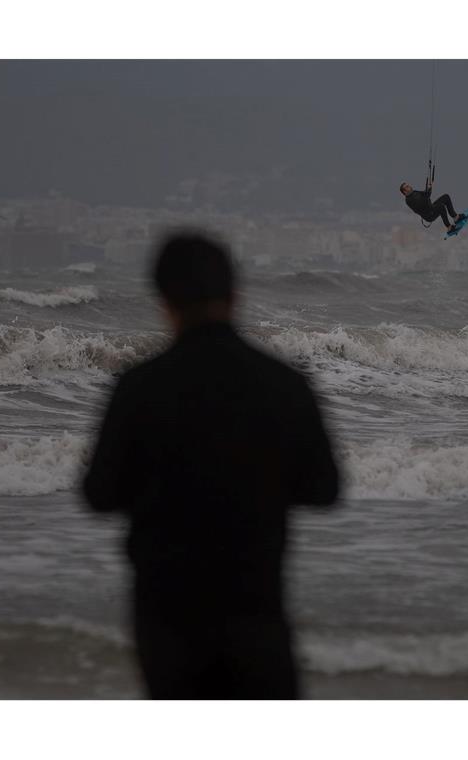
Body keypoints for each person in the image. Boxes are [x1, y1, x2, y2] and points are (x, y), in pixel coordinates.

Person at [82, 230, 341, 699]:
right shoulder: (283, 384)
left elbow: (99, 495)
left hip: (167, 618)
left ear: (163, 300)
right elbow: (324, 490)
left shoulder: (139, 387)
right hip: (256, 609)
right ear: (235, 294)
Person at [400, 178, 466, 230]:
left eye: (408, 185)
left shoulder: (414, 192)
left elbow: (424, 193)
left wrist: (429, 187)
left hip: (431, 207)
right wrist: (429, 190)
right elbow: (424, 201)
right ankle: (449, 227)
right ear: (405, 192)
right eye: (407, 186)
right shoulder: (409, 200)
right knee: (441, 207)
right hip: (429, 215)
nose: (410, 186)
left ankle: (455, 217)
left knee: (446, 197)